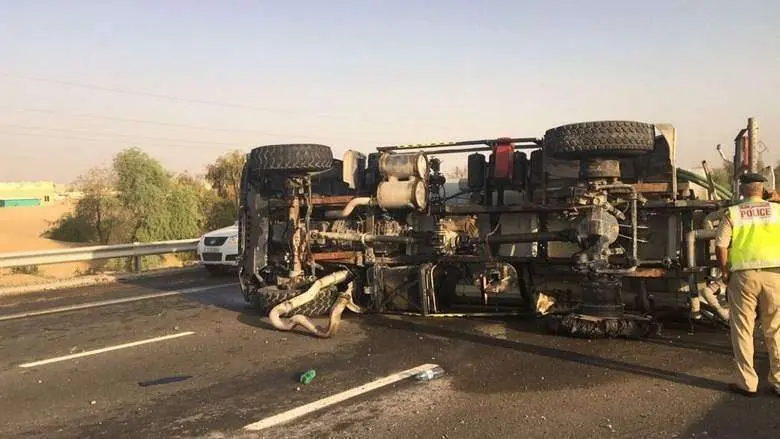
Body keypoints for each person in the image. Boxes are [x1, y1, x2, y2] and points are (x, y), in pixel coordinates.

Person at [715, 172, 780, 397]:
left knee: (743, 329)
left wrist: (724, 271)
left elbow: (721, 245)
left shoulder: (733, 213)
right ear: (763, 188)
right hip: (775, 276)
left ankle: (747, 383)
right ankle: (779, 381)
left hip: (743, 277)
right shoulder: (777, 211)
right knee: (776, 329)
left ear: (742, 189)